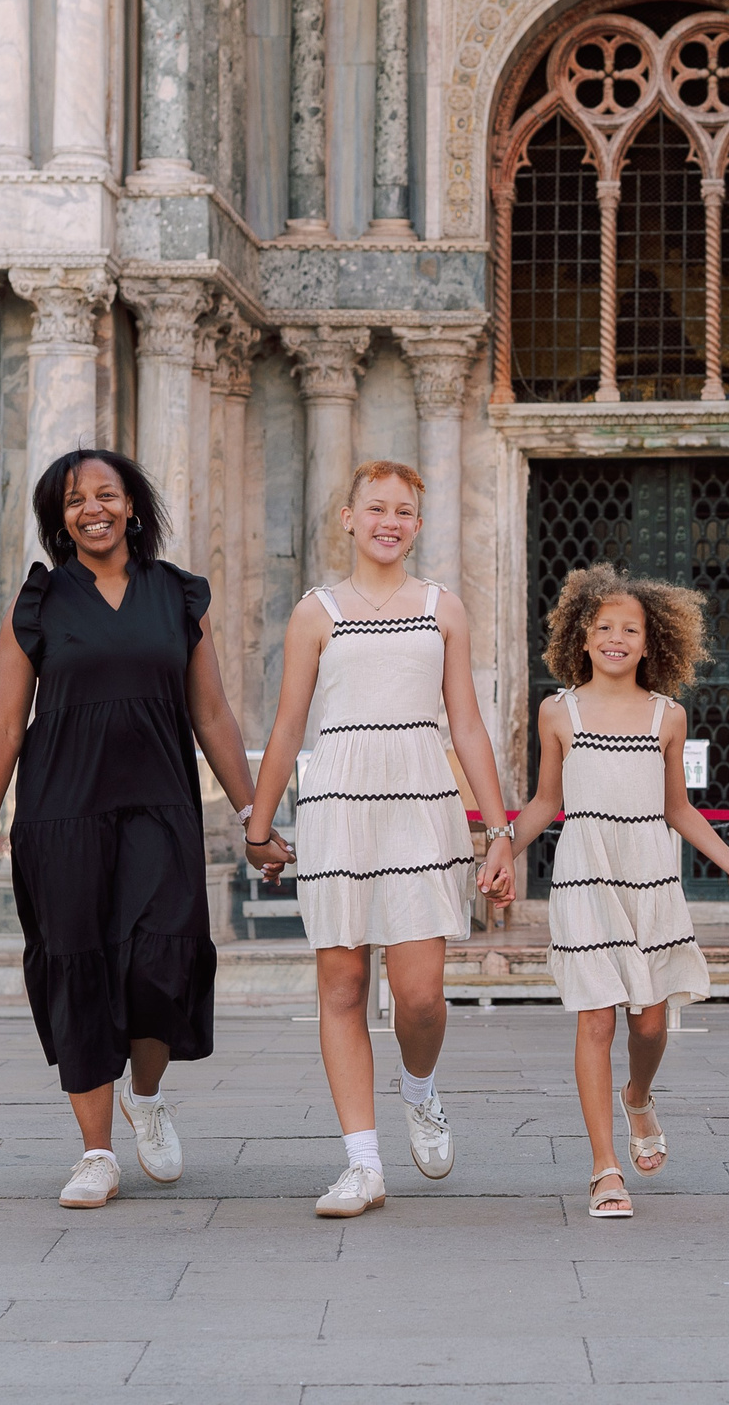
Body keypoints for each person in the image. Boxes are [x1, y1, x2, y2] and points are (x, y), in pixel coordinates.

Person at [0, 451, 258, 1210]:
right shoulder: (39, 602)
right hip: (62, 813)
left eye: (105, 495)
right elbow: (4, 725)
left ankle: (145, 1096)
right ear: (59, 519)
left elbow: (212, 713)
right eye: (73, 500)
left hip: (160, 805)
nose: (91, 509)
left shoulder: (179, 595)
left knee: (163, 956)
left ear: (131, 506)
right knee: (79, 968)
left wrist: (252, 815)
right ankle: (96, 1153)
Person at [245, 460, 512, 1218]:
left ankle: (419, 1086)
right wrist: (258, 825)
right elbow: (288, 725)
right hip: (338, 802)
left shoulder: (442, 607)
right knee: (342, 986)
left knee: (420, 997)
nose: (388, 521)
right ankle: (362, 1164)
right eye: (376, 508)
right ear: (349, 517)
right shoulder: (316, 611)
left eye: (402, 511)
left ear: (417, 526)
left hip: (422, 803)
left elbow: (467, 724)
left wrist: (499, 830)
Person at [477, 565, 729, 1218]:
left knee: (651, 1021)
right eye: (603, 626)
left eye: (630, 629)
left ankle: (637, 1094)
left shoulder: (668, 715)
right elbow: (545, 801)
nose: (616, 637)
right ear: (581, 636)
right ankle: (604, 1167)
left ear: (650, 640)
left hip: (650, 876)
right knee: (597, 1016)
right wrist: (501, 847)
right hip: (585, 874)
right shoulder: (559, 711)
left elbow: (679, 809)